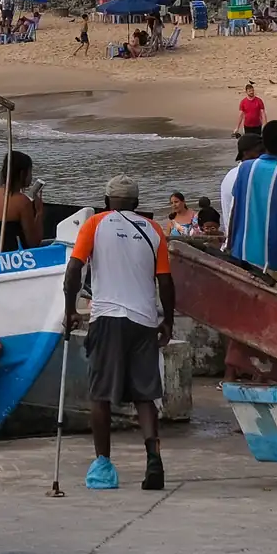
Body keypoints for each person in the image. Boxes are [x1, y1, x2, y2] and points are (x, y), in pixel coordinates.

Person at [62, 175, 175, 491]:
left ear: (107, 200)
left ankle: (103, 466)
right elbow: (165, 281)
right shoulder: (154, 231)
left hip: (108, 318)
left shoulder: (95, 224)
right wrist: (168, 320)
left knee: (101, 394)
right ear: (137, 204)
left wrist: (70, 308)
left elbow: (74, 270)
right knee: (144, 394)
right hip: (143, 319)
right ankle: (153, 458)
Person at [221, 119, 277, 272]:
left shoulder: (245, 168)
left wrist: (229, 245)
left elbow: (234, 210)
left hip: (240, 253)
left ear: (264, 143)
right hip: (270, 257)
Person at [0, 151, 45, 253]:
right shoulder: (23, 202)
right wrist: (39, 213)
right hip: (16, 261)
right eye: (30, 172)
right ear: (22, 174)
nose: (31, 177)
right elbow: (33, 242)